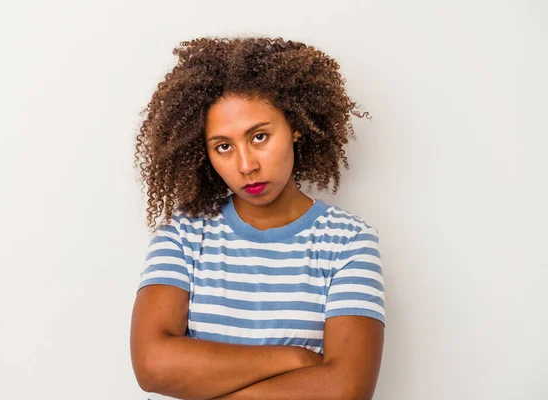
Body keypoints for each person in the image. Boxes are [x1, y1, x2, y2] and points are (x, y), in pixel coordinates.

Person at [130, 36, 385, 400]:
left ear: (295, 126)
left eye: (260, 136)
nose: (246, 165)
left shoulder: (348, 242)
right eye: (224, 147)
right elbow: (153, 364)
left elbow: (347, 389)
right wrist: (297, 359)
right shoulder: (182, 235)